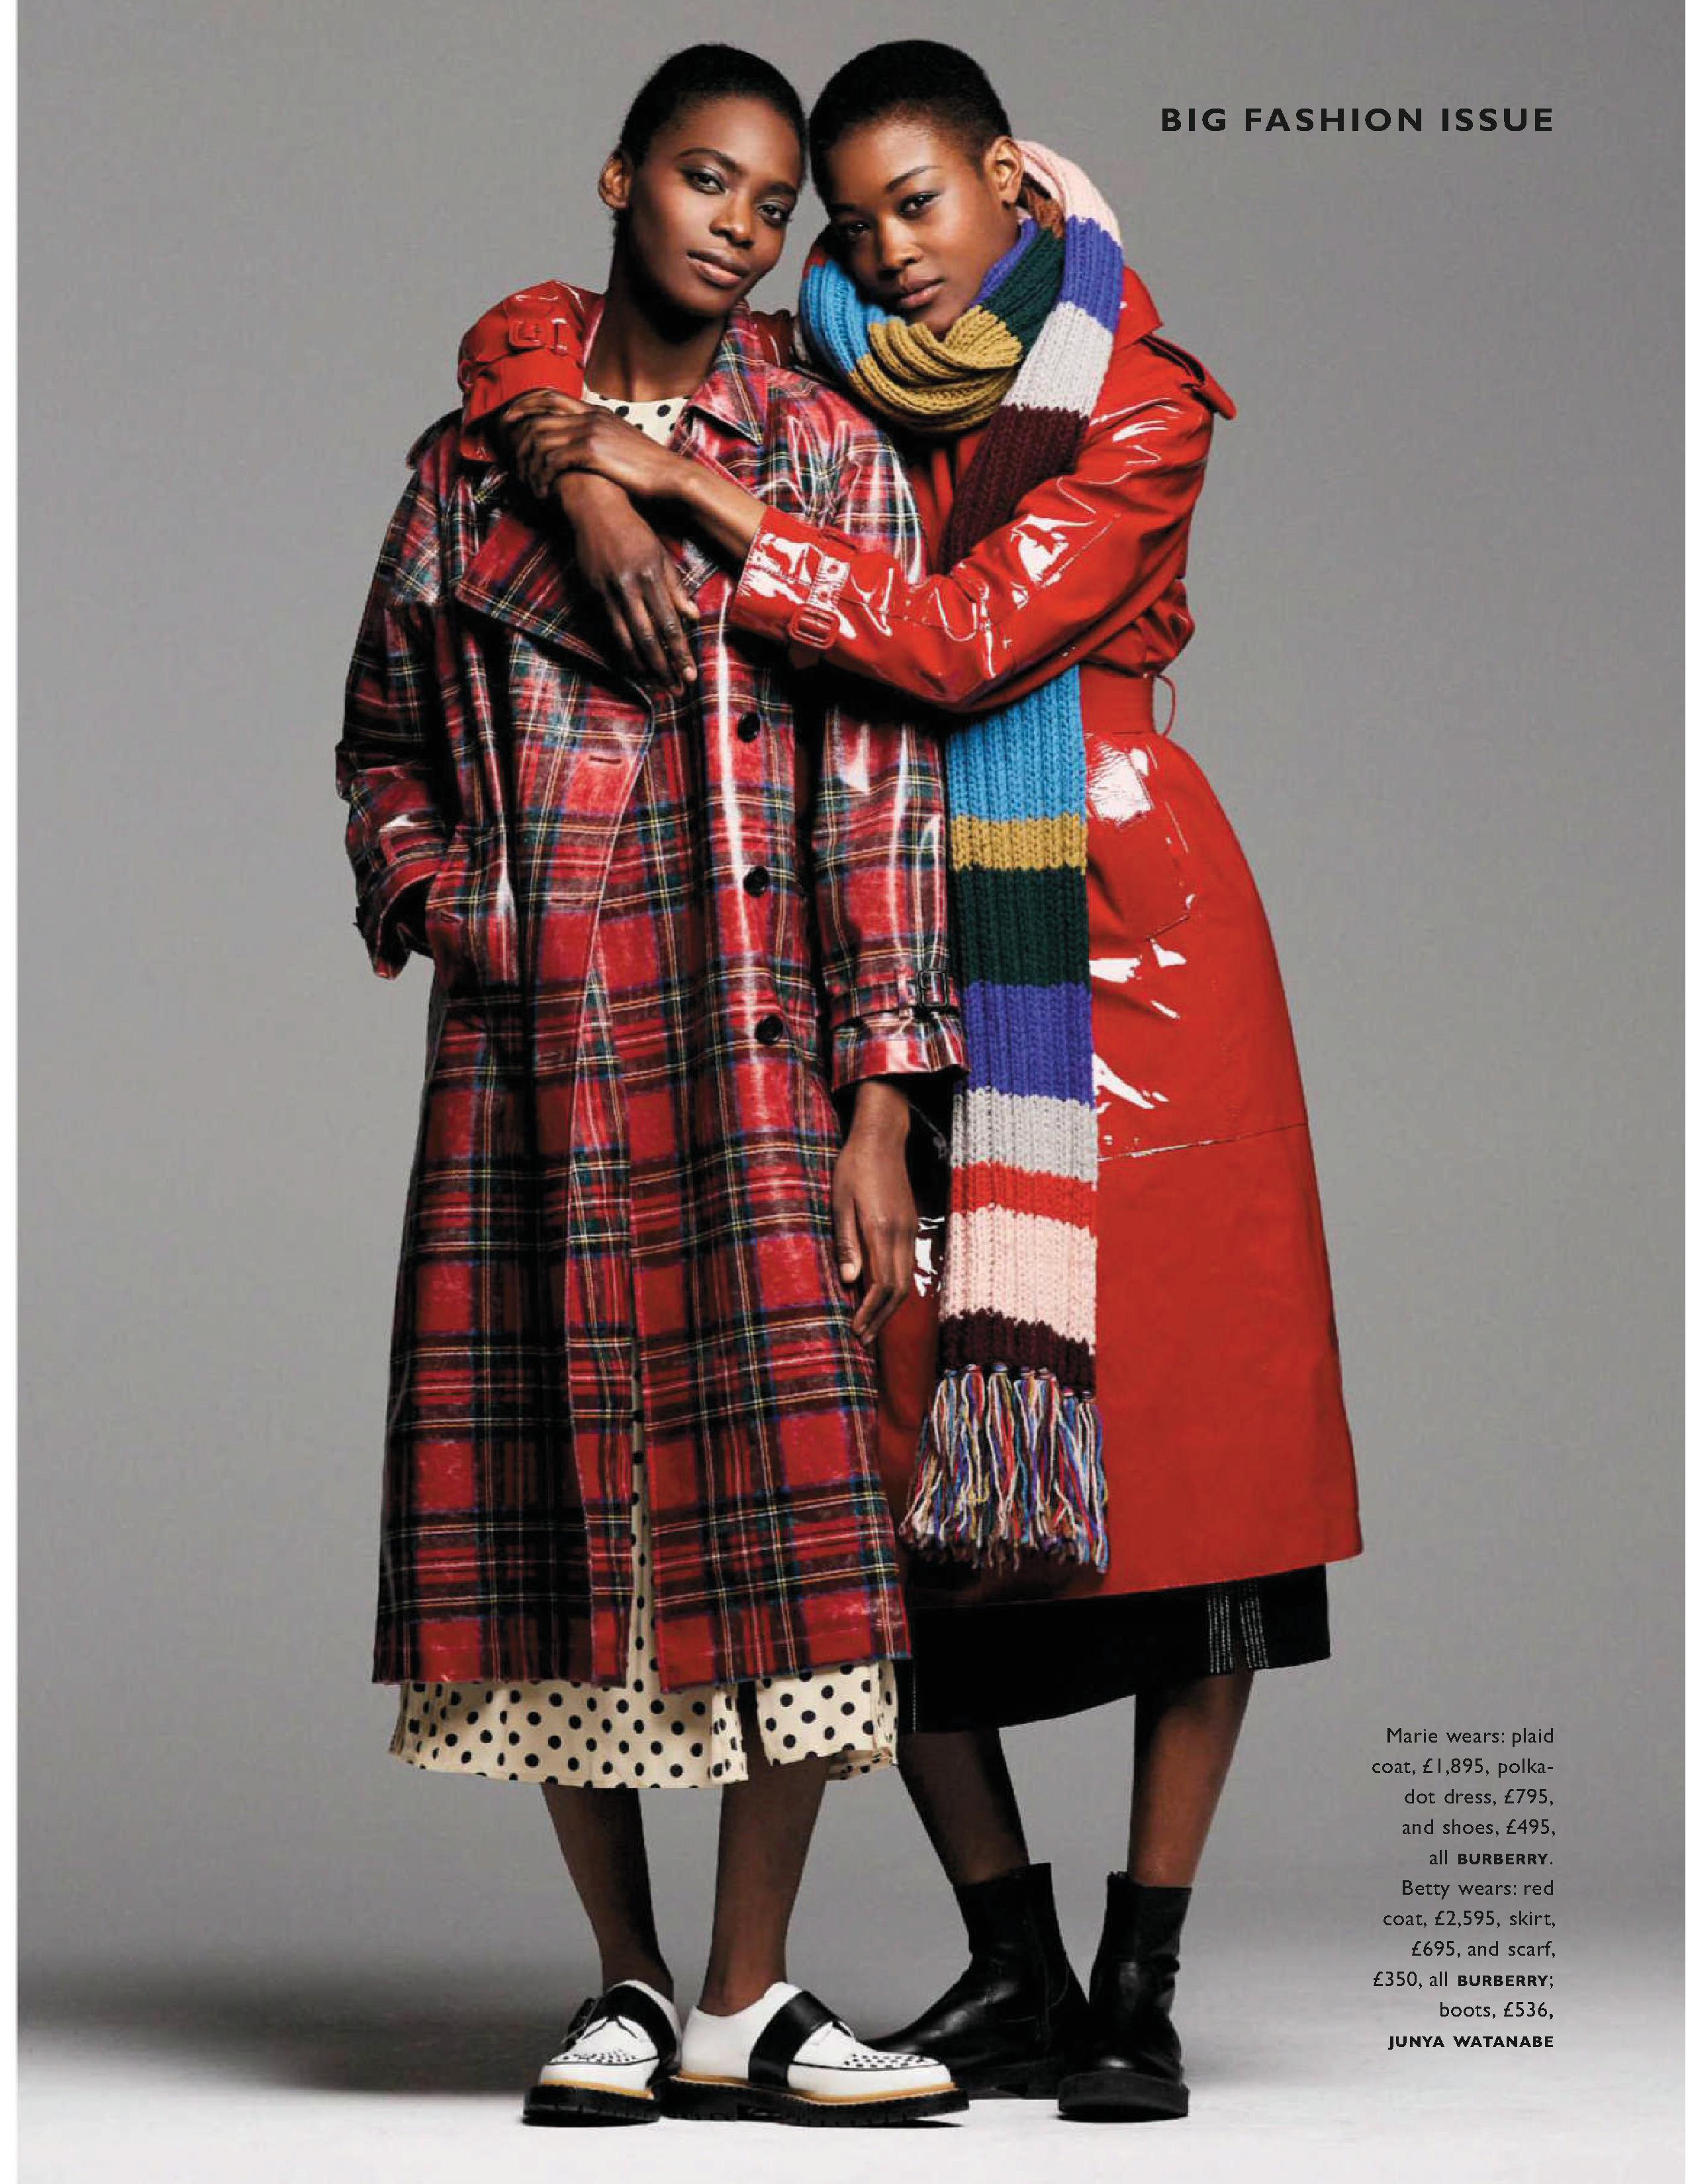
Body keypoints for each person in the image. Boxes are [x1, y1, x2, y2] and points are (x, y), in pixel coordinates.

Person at [450, 38, 1364, 2125]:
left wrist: (704, 496)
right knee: (881, 1458)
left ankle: (1139, 1974)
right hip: (879, 933)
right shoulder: (830, 364)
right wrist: (581, 466)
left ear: (1011, 186)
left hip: (1132, 957)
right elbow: (538, 334)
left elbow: (960, 642)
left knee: (1203, 1476)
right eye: (847, 227)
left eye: (916, 206)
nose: (880, 255)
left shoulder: (1141, 398)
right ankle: (1009, 1953)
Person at [334, 44, 970, 2129]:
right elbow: (382, 740)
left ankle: (745, 1990)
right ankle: (619, 1982)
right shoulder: (470, 467)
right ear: (620, 180)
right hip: (536, 1053)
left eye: (774, 204)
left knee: (799, 1504)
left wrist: (884, 1101)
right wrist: (459, 907)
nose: (742, 227)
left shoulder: (826, 455)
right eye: (708, 179)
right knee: (549, 1495)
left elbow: (883, 788)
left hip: (755, 1031)